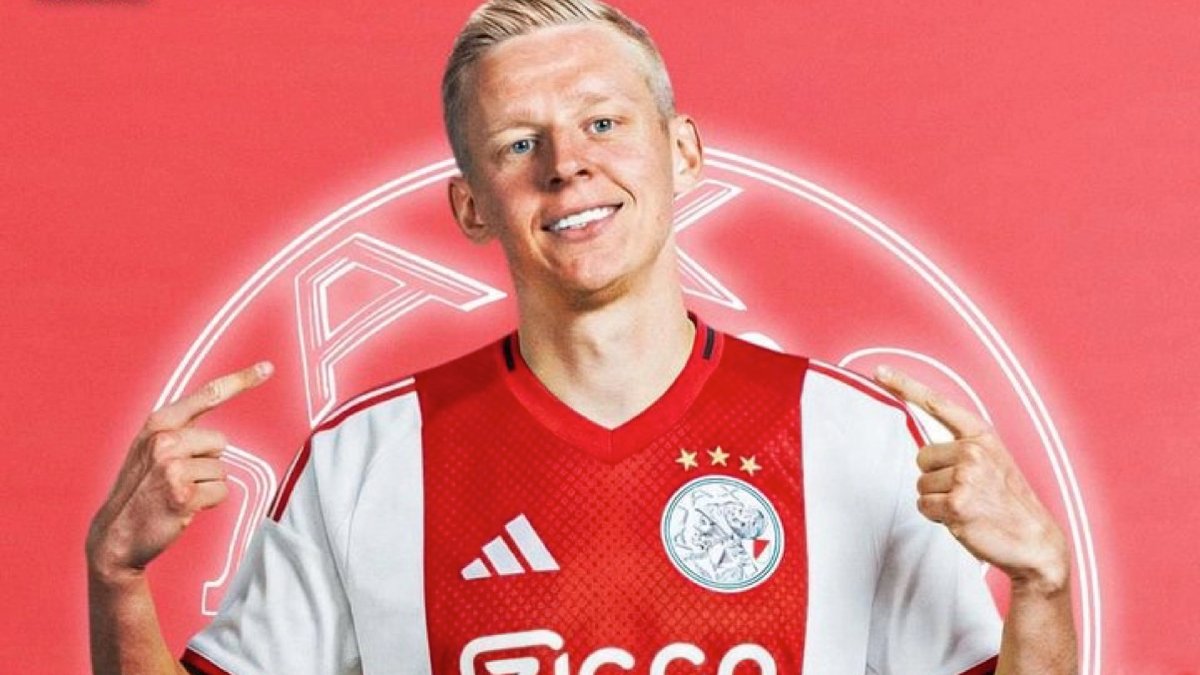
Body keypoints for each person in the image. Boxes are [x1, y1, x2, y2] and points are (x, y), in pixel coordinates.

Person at [85, 0, 1078, 673]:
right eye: (520, 143)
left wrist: (1043, 585)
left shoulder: (853, 438)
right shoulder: (367, 461)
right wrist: (118, 582)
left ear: (682, 152)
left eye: (603, 123)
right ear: (472, 207)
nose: (566, 164)